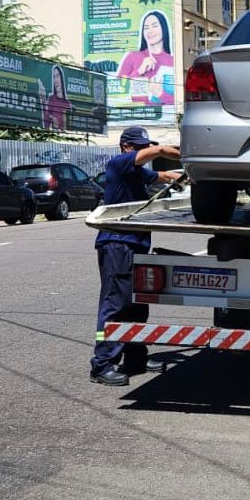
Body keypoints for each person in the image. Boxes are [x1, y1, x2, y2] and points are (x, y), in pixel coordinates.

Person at [89, 126, 183, 386]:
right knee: (115, 304)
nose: (144, 151)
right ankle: (102, 364)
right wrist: (187, 154)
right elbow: (161, 151)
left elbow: (160, 175)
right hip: (117, 244)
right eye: (140, 147)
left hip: (135, 244)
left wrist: (178, 176)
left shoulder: (136, 173)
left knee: (137, 304)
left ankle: (135, 357)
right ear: (127, 148)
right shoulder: (119, 164)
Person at [39, 65, 73, 131]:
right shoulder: (51, 99)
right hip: (52, 134)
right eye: (54, 77)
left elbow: (69, 127)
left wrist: (59, 124)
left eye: (57, 76)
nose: (55, 80)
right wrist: (42, 101)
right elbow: (46, 125)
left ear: (61, 78)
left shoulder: (68, 104)